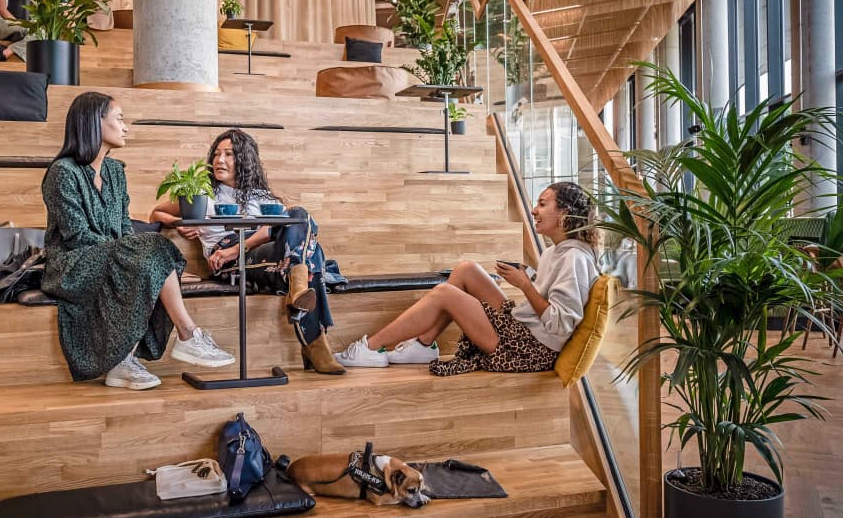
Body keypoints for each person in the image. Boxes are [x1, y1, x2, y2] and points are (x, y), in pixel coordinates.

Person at [41, 92, 235, 390]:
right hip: (72, 264)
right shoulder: (62, 173)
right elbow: (77, 236)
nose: (126, 127)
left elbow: (124, 229)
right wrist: (129, 255)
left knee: (152, 253)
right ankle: (187, 335)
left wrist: (138, 257)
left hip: (110, 256)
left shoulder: (115, 172)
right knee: (150, 251)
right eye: (119, 119)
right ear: (95, 122)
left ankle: (123, 363)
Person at [334, 182, 599, 376]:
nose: (533, 210)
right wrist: (528, 276)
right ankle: (424, 345)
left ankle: (371, 347)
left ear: (564, 214)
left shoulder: (573, 258)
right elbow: (547, 297)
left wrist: (525, 285)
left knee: (444, 294)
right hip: (523, 329)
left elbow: (560, 325)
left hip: (529, 349)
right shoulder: (555, 251)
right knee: (466, 270)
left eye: (542, 204)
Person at [150, 128, 345, 375]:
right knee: (310, 256)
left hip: (256, 254)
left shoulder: (261, 197)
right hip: (228, 263)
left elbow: (282, 228)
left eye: (229, 154)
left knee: (299, 215)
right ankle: (315, 342)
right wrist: (183, 225)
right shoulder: (203, 194)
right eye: (217, 154)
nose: (219, 160)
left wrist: (239, 247)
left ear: (244, 159)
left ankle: (299, 287)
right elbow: (156, 213)